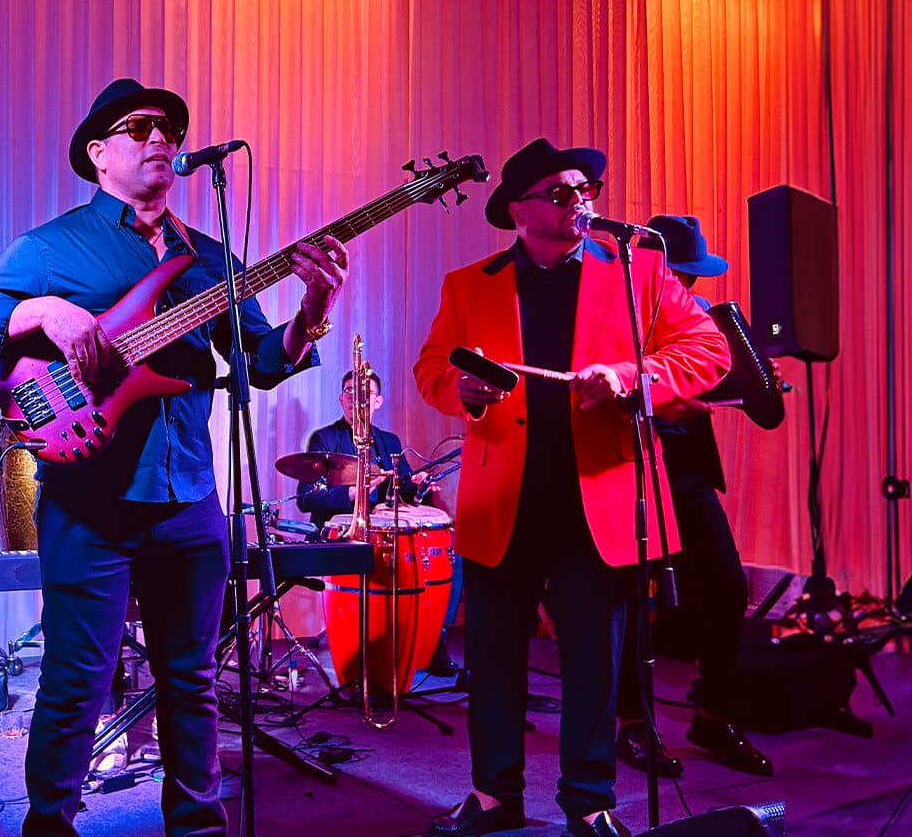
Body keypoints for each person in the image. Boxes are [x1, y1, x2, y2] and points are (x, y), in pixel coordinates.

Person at [0, 78, 347, 837]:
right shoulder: (52, 246)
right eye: (138, 128)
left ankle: (198, 827)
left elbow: (261, 362)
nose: (160, 138)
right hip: (90, 500)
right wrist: (44, 311)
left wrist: (311, 315)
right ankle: (49, 827)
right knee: (75, 681)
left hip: (188, 493)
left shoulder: (210, 257)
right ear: (98, 154)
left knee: (192, 679)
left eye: (168, 128)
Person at [413, 139, 730, 837]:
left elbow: (708, 349)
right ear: (518, 211)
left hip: (600, 497)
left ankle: (588, 804)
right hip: (505, 499)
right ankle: (493, 798)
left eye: (586, 188)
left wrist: (630, 376)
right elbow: (430, 367)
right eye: (560, 192)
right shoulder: (470, 284)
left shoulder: (638, 268)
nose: (579, 200)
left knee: (593, 661)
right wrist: (461, 388)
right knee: (493, 659)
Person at [614, 215, 774, 779]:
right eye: (679, 273)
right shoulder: (616, 312)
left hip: (687, 471)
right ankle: (632, 723)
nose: (686, 284)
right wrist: (661, 399)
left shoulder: (700, 316)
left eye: (691, 275)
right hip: (629, 468)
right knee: (634, 600)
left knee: (727, 587)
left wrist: (753, 379)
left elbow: (722, 380)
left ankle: (713, 715)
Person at [295, 368, 424, 528]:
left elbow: (405, 492)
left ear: (378, 402)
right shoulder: (323, 438)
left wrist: (420, 485)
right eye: (350, 391)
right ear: (341, 399)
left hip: (382, 533)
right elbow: (306, 498)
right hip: (338, 535)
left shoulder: (390, 442)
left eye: (366, 392)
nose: (357, 398)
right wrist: (352, 493)